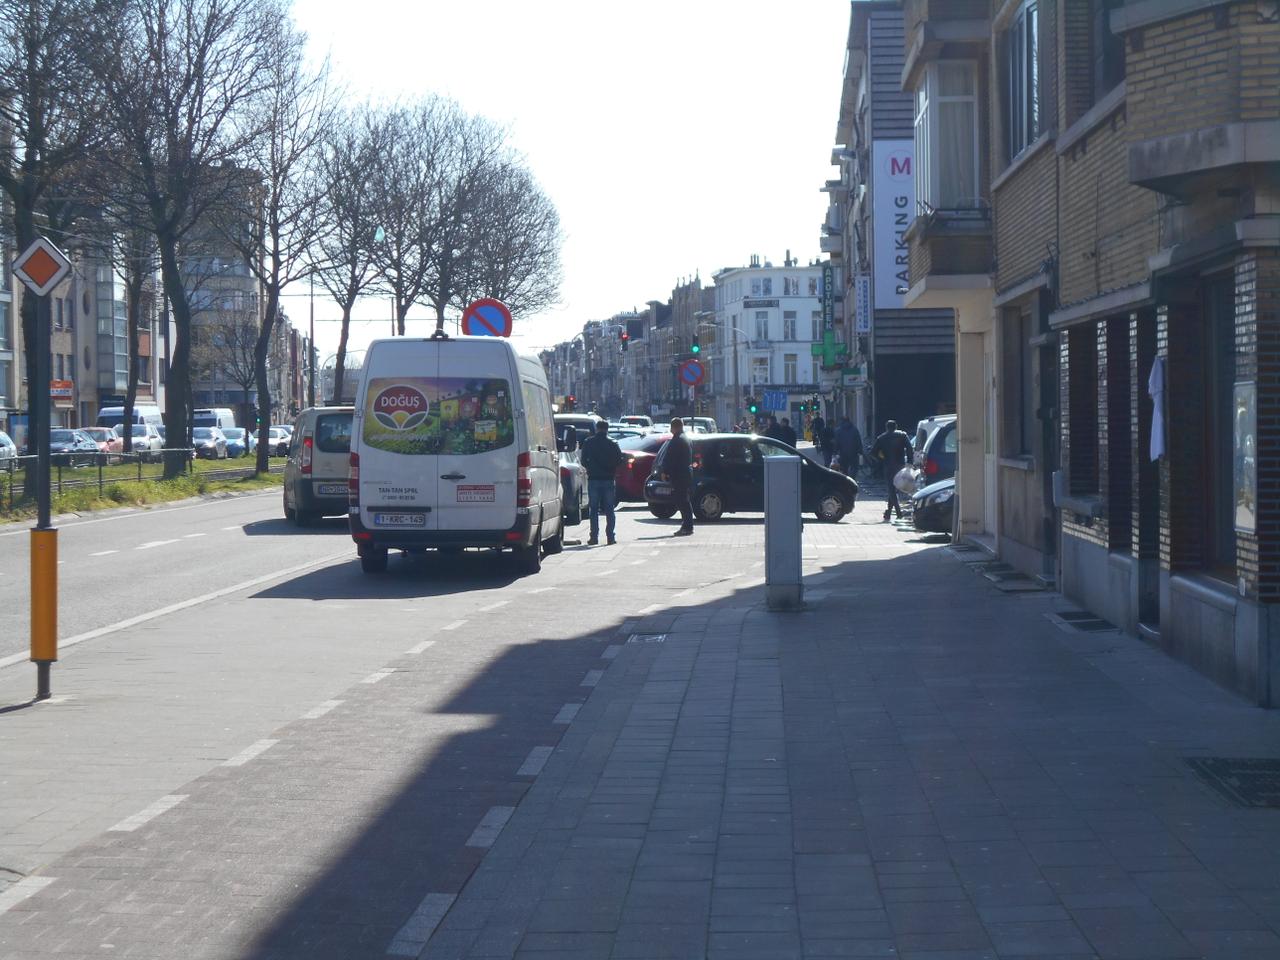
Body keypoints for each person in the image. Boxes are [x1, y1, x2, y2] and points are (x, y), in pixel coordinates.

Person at [579, 419, 622, 545]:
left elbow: (583, 460)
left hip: (593, 479)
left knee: (593, 509)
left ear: (597, 429)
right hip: (608, 479)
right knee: (609, 509)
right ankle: (610, 537)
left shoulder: (589, 442)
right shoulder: (613, 443)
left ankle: (594, 537)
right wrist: (611, 469)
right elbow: (619, 460)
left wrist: (590, 468)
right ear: (607, 429)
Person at [654, 417, 694, 536]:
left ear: (674, 427)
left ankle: (687, 526)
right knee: (684, 500)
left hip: (679, 474)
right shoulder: (686, 438)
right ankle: (687, 525)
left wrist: (664, 471)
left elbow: (670, 458)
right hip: (685, 473)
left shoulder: (677, 440)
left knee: (682, 501)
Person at [871, 419, 913, 521]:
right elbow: (909, 449)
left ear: (886, 427)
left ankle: (897, 512)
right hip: (900, 465)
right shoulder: (903, 435)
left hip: (888, 466)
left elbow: (873, 453)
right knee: (895, 488)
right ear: (896, 426)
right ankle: (890, 512)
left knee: (891, 488)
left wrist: (881, 459)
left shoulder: (881, 438)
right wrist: (909, 462)